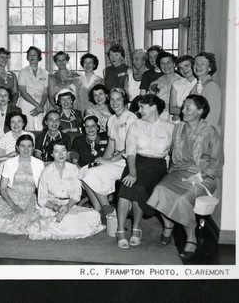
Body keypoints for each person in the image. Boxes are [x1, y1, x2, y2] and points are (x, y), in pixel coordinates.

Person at [147, 95, 222, 260]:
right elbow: (174, 155)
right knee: (159, 190)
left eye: (188, 108)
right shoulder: (178, 128)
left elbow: (217, 163)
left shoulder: (209, 131)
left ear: (200, 111)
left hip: (204, 176)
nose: (183, 110)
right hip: (179, 172)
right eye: (183, 107)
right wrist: (169, 175)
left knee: (182, 199)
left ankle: (191, 237)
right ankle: (168, 225)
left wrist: (200, 177)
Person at [115, 94, 174, 249]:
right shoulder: (136, 125)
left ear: (153, 106)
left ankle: (136, 227)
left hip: (157, 166)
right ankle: (120, 229)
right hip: (136, 162)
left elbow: (175, 154)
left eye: (142, 107)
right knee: (127, 185)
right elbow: (131, 151)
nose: (139, 110)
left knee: (140, 187)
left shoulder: (170, 127)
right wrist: (132, 171)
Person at [79, 88, 138, 221]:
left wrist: (110, 160)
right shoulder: (111, 119)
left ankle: (106, 208)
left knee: (93, 174)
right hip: (114, 158)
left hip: (127, 160)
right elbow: (111, 143)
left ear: (124, 100)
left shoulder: (131, 117)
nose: (114, 102)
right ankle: (98, 209)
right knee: (84, 170)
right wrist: (103, 159)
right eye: (112, 99)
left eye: (118, 99)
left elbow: (131, 147)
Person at [27, 140, 103, 240]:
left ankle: (61, 225)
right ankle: (60, 225)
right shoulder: (46, 172)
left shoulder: (73, 169)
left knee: (94, 215)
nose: (60, 154)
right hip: (51, 206)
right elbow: (42, 200)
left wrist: (66, 207)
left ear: (67, 152)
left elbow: (76, 194)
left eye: (63, 150)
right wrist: (57, 208)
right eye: (56, 151)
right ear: (52, 154)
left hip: (69, 205)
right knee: (65, 219)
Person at [0, 111, 35, 198]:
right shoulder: (5, 137)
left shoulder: (29, 135)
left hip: (24, 164)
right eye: (13, 122)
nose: (16, 124)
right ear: (9, 124)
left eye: (19, 121)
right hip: (7, 165)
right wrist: (10, 156)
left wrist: (17, 156)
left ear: (23, 123)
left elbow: (30, 155)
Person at [18, 46, 49, 131]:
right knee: (27, 128)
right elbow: (23, 92)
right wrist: (37, 106)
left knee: (41, 128)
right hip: (26, 103)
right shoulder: (23, 72)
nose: (32, 57)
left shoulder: (45, 73)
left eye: (34, 55)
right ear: (27, 57)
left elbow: (45, 93)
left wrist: (40, 107)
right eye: (30, 55)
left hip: (41, 104)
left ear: (39, 57)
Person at [189, 52, 222, 131]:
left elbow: (212, 116)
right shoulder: (196, 86)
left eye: (202, 63)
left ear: (209, 68)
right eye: (196, 63)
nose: (198, 66)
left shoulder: (211, 85)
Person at [148, 51, 182, 121]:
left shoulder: (182, 82)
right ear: (159, 66)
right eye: (162, 63)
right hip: (159, 119)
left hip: (177, 118)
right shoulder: (155, 84)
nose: (166, 66)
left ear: (174, 64)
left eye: (168, 62)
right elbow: (151, 105)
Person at [169, 55, 197, 122]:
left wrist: (179, 112)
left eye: (186, 66)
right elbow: (172, 109)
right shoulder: (177, 84)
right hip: (178, 122)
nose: (184, 70)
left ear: (193, 65)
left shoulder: (200, 83)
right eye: (180, 68)